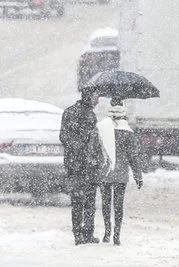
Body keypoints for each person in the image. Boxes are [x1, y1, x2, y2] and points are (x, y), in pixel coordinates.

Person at [60, 89, 105, 245]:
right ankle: (79, 234)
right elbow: (64, 137)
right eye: (95, 97)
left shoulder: (89, 114)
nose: (97, 100)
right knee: (80, 200)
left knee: (88, 200)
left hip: (87, 164)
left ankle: (86, 233)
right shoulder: (73, 113)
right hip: (78, 164)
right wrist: (81, 148)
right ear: (88, 97)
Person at [97, 99, 143, 246]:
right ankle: (117, 235)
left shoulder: (102, 129)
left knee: (105, 203)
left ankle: (107, 232)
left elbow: (96, 151)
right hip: (121, 174)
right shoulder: (128, 132)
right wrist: (138, 175)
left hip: (105, 172)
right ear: (123, 115)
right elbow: (133, 156)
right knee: (118, 204)